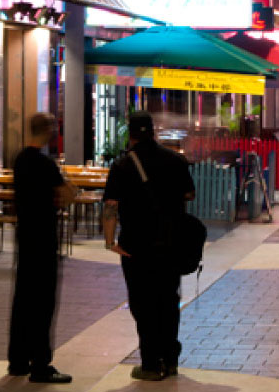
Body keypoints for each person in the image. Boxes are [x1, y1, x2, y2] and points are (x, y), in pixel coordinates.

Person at [102, 112, 195, 382]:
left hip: (136, 246)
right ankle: (171, 359)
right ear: (153, 132)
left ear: (130, 134)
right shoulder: (175, 160)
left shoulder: (122, 165)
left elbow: (110, 206)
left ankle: (151, 365)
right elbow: (190, 193)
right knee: (168, 301)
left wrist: (110, 242)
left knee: (143, 304)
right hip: (170, 243)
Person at [7, 112, 75, 384]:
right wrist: (68, 185)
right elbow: (67, 197)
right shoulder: (46, 165)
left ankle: (18, 361)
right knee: (43, 302)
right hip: (44, 239)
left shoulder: (20, 160)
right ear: (48, 131)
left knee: (22, 299)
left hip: (25, 237)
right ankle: (40, 365)